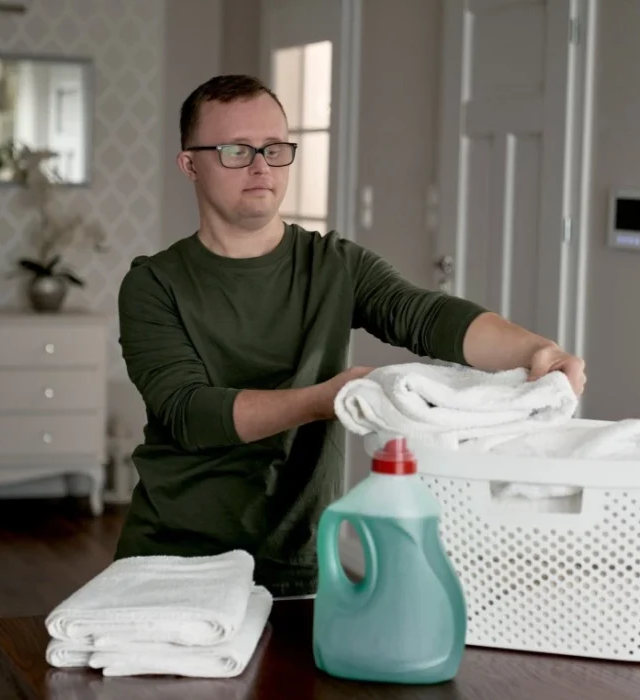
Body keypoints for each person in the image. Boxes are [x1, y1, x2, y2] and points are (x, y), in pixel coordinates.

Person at [115, 74, 586, 598]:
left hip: (298, 565)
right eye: (236, 151)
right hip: (173, 560)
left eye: (274, 149)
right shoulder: (153, 285)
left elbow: (426, 315)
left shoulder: (334, 264)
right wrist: (324, 400)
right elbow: (190, 413)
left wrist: (536, 350)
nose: (261, 166)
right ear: (189, 165)